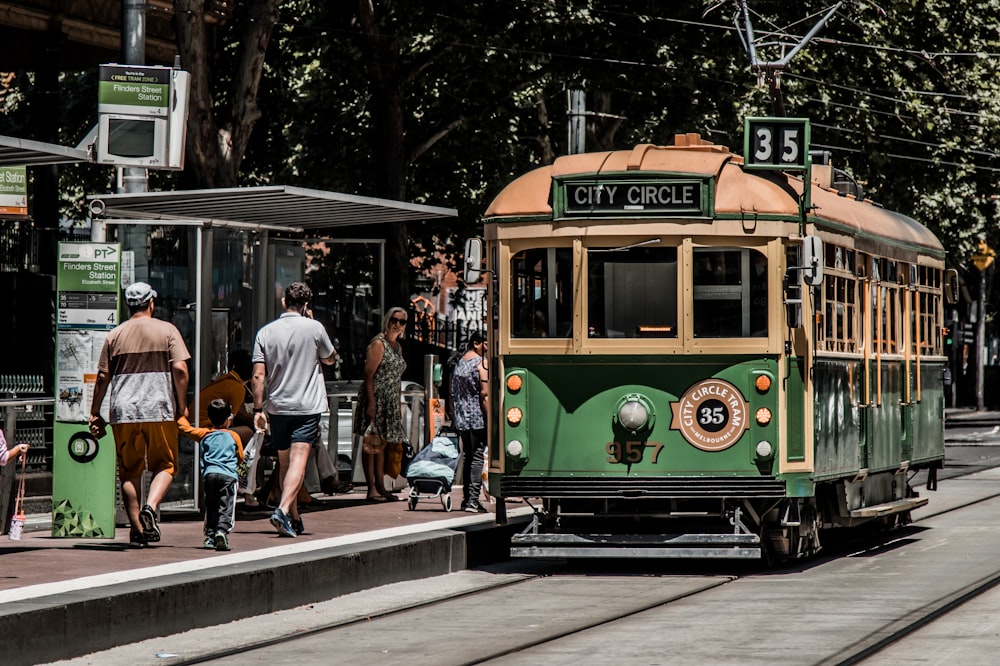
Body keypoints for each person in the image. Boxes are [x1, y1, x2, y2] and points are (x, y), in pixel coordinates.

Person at [88, 281, 190, 548]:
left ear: (128, 304)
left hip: (124, 411)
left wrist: (95, 412)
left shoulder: (115, 335)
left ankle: (137, 530)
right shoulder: (167, 330)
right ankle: (150, 507)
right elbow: (180, 370)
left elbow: (102, 377)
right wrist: (182, 406)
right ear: (151, 303)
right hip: (158, 407)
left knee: (129, 471)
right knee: (166, 465)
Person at [252, 282, 337, 537]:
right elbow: (330, 358)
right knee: (298, 463)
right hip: (306, 407)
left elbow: (258, 376)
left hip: (277, 407)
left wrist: (258, 408)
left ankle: (294, 517)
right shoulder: (315, 328)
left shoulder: (265, 332)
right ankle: (281, 509)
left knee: (285, 462)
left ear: (283, 301)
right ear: (306, 305)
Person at [354, 306, 408, 502]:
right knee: (371, 444)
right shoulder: (379, 343)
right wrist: (371, 403)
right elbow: (368, 375)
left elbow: (397, 378)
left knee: (382, 445)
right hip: (376, 398)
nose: (397, 324)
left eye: (402, 322)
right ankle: (371, 489)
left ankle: (381, 486)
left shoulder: (397, 347)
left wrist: (398, 401)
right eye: (395, 320)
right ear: (388, 320)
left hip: (390, 401)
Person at [177, 398, 244, 551]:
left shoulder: (204, 434)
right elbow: (240, 456)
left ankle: (210, 536)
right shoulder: (234, 436)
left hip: (210, 475)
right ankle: (222, 531)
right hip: (228, 476)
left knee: (211, 505)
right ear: (228, 420)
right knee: (226, 505)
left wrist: (180, 413)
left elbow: (185, 429)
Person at [450, 331, 489, 513]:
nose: (488, 348)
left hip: (461, 418)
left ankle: (467, 499)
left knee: (467, 456)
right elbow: (484, 394)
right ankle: (473, 499)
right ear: (477, 343)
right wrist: (489, 418)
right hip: (477, 417)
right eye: (486, 344)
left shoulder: (460, 363)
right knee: (477, 456)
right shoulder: (481, 363)